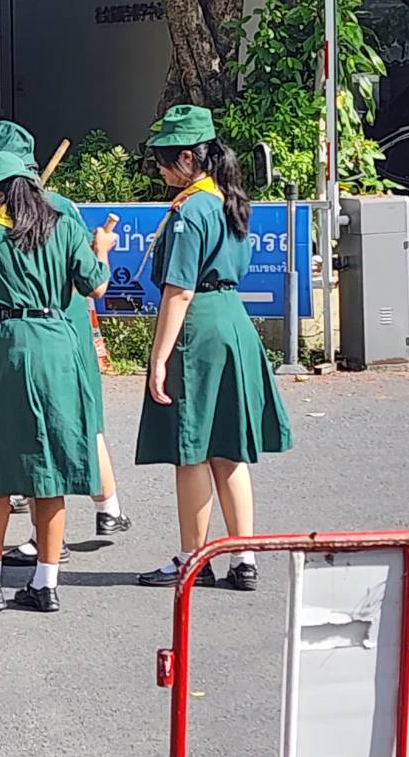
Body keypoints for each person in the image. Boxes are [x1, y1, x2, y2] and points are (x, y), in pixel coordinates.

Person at [0, 150, 115, 614]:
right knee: (49, 470)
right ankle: (46, 583)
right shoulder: (65, 228)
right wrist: (102, 249)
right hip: (61, 345)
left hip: (11, 347)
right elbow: (96, 286)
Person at [135, 106, 293, 590]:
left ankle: (193, 558)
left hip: (199, 328)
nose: (159, 169)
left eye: (163, 159)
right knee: (228, 450)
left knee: (191, 451)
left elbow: (179, 291)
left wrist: (158, 359)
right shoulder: (228, 200)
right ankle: (244, 558)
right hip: (233, 320)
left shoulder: (190, 211)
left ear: (187, 158)